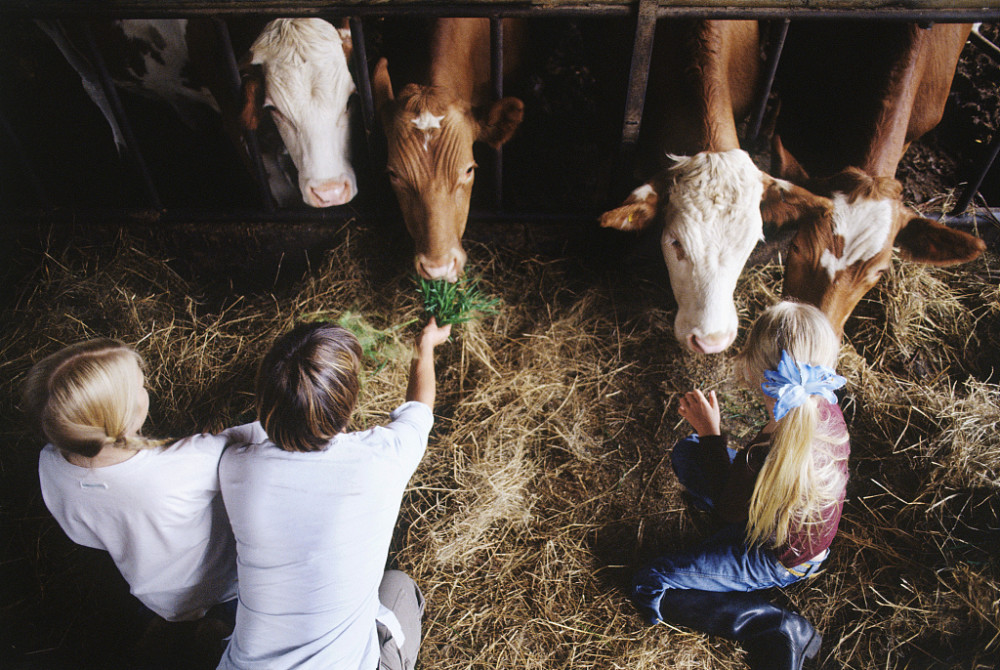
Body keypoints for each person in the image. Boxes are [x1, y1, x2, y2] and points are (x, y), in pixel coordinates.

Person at [217, 317, 452, 670]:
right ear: (349, 403)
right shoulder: (381, 460)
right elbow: (420, 408)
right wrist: (425, 347)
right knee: (400, 587)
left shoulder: (235, 467)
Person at [632, 301, 849, 670]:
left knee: (651, 583)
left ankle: (777, 627)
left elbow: (727, 506)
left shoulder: (762, 454)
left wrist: (711, 433)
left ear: (756, 371)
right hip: (793, 526)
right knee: (689, 454)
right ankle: (727, 551)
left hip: (778, 558)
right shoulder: (824, 406)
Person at [23, 339, 254, 636]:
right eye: (141, 386)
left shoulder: (50, 464)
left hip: (153, 592)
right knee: (233, 623)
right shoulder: (183, 464)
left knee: (175, 621)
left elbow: (86, 535)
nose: (147, 388)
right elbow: (249, 440)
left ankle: (172, 629)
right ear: (124, 416)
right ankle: (215, 632)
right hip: (223, 582)